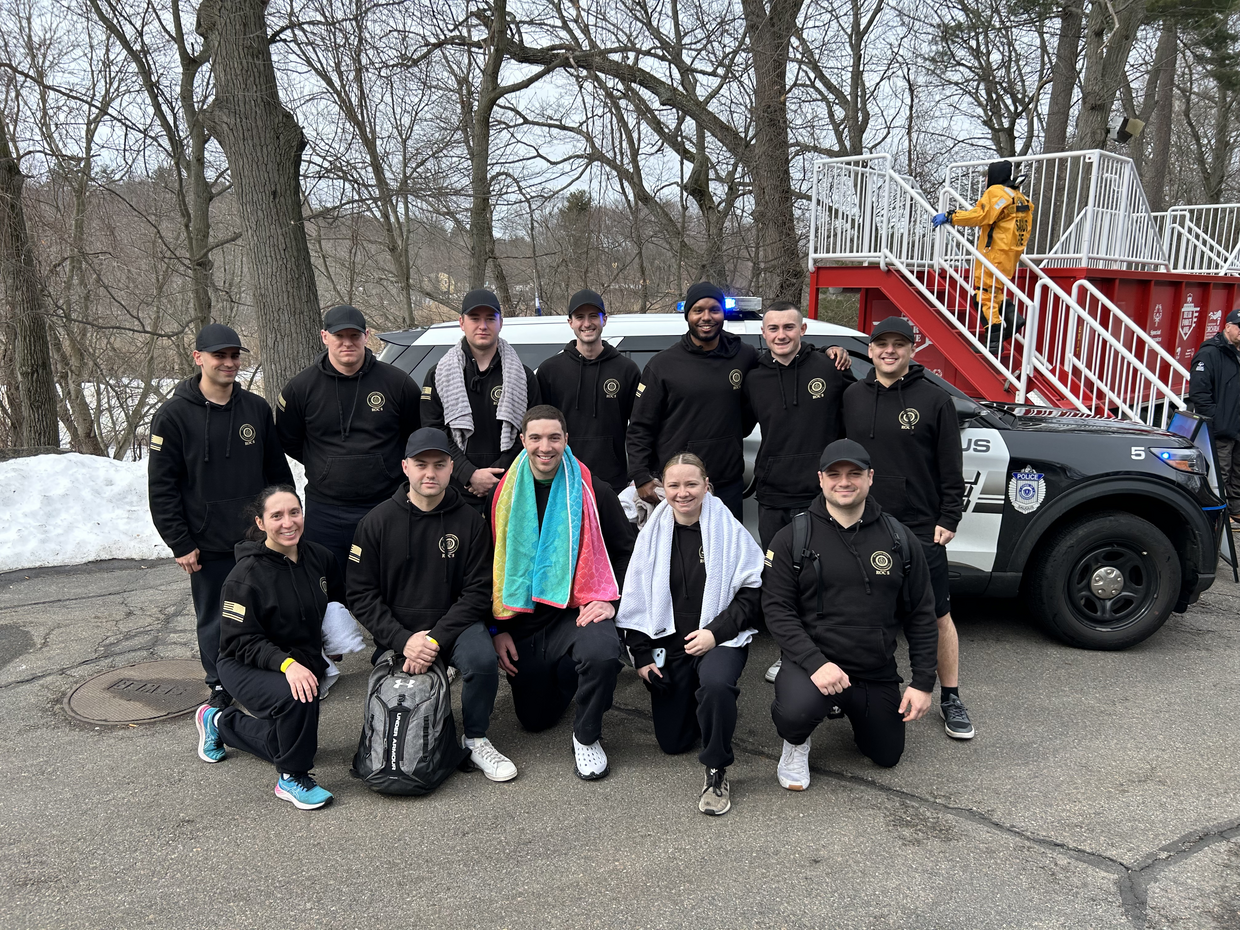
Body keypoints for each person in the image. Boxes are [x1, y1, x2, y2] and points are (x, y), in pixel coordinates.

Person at [763, 439, 938, 790]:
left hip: (873, 668)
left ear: (870, 477)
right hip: (812, 665)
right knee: (796, 713)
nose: (844, 481)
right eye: (835, 474)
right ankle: (796, 742)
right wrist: (815, 663)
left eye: (854, 473)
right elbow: (777, 609)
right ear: (821, 479)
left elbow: (921, 614)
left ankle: (854, 710)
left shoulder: (899, 538)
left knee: (887, 755)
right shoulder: (792, 537)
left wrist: (922, 683)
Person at [346, 427, 516, 782]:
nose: (430, 473)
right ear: (405, 467)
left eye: (439, 465)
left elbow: (477, 592)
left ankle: (475, 738)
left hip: (453, 626)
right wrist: (403, 640)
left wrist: (435, 639)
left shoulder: (470, 522)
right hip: (399, 630)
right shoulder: (375, 523)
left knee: (482, 662)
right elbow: (361, 595)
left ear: (451, 468)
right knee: (396, 686)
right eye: (421, 465)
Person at [148, 323, 293, 709]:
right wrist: (180, 542)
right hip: (207, 542)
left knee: (267, 611)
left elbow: (277, 473)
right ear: (198, 358)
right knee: (216, 618)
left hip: (258, 538)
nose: (229, 363)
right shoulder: (173, 416)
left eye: (234, 356)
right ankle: (220, 684)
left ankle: (268, 673)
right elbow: (162, 487)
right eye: (219, 356)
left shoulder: (256, 409)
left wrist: (284, 522)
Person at [842, 317, 973, 740]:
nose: (890, 351)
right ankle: (848, 690)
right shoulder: (851, 397)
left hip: (918, 525)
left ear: (912, 350)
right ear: (871, 350)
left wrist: (948, 518)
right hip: (862, 521)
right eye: (882, 344)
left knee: (936, 615)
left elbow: (951, 467)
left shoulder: (934, 400)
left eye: (899, 344)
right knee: (858, 609)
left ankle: (950, 695)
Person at [489, 405, 637, 780]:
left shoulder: (592, 489)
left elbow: (626, 551)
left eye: (554, 437)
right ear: (522, 440)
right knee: (534, 721)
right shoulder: (500, 496)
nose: (545, 447)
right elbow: (481, 569)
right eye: (535, 438)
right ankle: (567, 676)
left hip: (577, 609)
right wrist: (495, 630)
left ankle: (587, 736)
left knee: (602, 653)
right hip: (522, 619)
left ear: (566, 440)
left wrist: (608, 599)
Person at [616, 453, 763, 816]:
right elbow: (635, 599)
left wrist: (715, 633)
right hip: (670, 641)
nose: (683, 493)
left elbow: (753, 593)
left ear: (706, 485)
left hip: (717, 637)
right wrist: (643, 657)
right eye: (674, 485)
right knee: (672, 742)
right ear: (662, 489)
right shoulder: (652, 535)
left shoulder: (728, 531)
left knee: (714, 684)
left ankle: (716, 768)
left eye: (691, 484)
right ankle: (706, 708)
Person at [193, 485, 344, 810]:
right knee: (298, 698)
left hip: (298, 660)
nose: (288, 522)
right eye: (277, 516)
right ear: (261, 523)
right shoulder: (244, 576)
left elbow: (336, 599)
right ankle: (292, 778)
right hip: (243, 663)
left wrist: (335, 635)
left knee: (291, 742)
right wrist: (287, 665)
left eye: (294, 512)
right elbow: (238, 641)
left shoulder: (320, 557)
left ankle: (217, 721)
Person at [744, 300, 855, 683]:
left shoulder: (828, 366)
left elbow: (863, 407)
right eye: (772, 329)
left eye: (788, 327)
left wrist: (840, 354)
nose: (781, 335)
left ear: (803, 329)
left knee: (822, 577)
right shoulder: (753, 375)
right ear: (764, 333)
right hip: (773, 492)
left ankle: (824, 653)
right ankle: (789, 653)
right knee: (781, 579)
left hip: (819, 494)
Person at [276, 304, 421, 571]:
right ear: (324, 336)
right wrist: (325, 466)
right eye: (339, 336)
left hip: (387, 502)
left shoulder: (397, 383)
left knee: (391, 578)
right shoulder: (301, 388)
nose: (347, 343)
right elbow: (290, 439)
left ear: (366, 336)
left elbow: (414, 437)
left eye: (354, 336)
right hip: (326, 509)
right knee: (332, 589)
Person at [627, 281, 758, 520]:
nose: (706, 317)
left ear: (723, 313)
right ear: (688, 315)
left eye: (714, 310)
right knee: (680, 556)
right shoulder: (663, 365)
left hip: (726, 484)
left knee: (727, 556)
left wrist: (829, 351)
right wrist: (641, 476)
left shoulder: (744, 355)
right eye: (698, 310)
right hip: (679, 488)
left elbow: (783, 361)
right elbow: (639, 427)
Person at [422, 288, 542, 515]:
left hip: (511, 488)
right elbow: (434, 433)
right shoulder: (438, 374)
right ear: (461, 322)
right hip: (454, 491)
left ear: (501, 322)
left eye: (490, 318)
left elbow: (533, 432)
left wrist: (499, 474)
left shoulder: (523, 377)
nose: (483, 326)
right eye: (475, 318)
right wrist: (469, 474)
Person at [535, 289, 640, 493]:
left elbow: (639, 428)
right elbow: (540, 429)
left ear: (604, 320)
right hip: (562, 478)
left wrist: (639, 473)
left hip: (613, 482)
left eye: (594, 316)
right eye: (579, 317)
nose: (587, 323)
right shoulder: (550, 370)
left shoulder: (626, 370)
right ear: (570, 322)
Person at [932, 159, 1034, 351]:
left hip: (994, 252)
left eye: (987, 176)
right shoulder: (1019, 196)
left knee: (983, 295)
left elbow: (981, 216)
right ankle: (1012, 318)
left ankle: (993, 341)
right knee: (995, 291)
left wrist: (951, 216)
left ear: (994, 176)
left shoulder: (996, 193)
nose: (985, 180)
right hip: (1010, 254)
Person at [1189, 308, 1240, 521]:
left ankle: (1235, 511)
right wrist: (1217, 420)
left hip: (1237, 425)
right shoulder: (1210, 353)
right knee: (1219, 474)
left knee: (1238, 472)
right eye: (1239, 327)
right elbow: (1199, 393)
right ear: (1227, 326)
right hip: (1221, 428)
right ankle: (1215, 516)